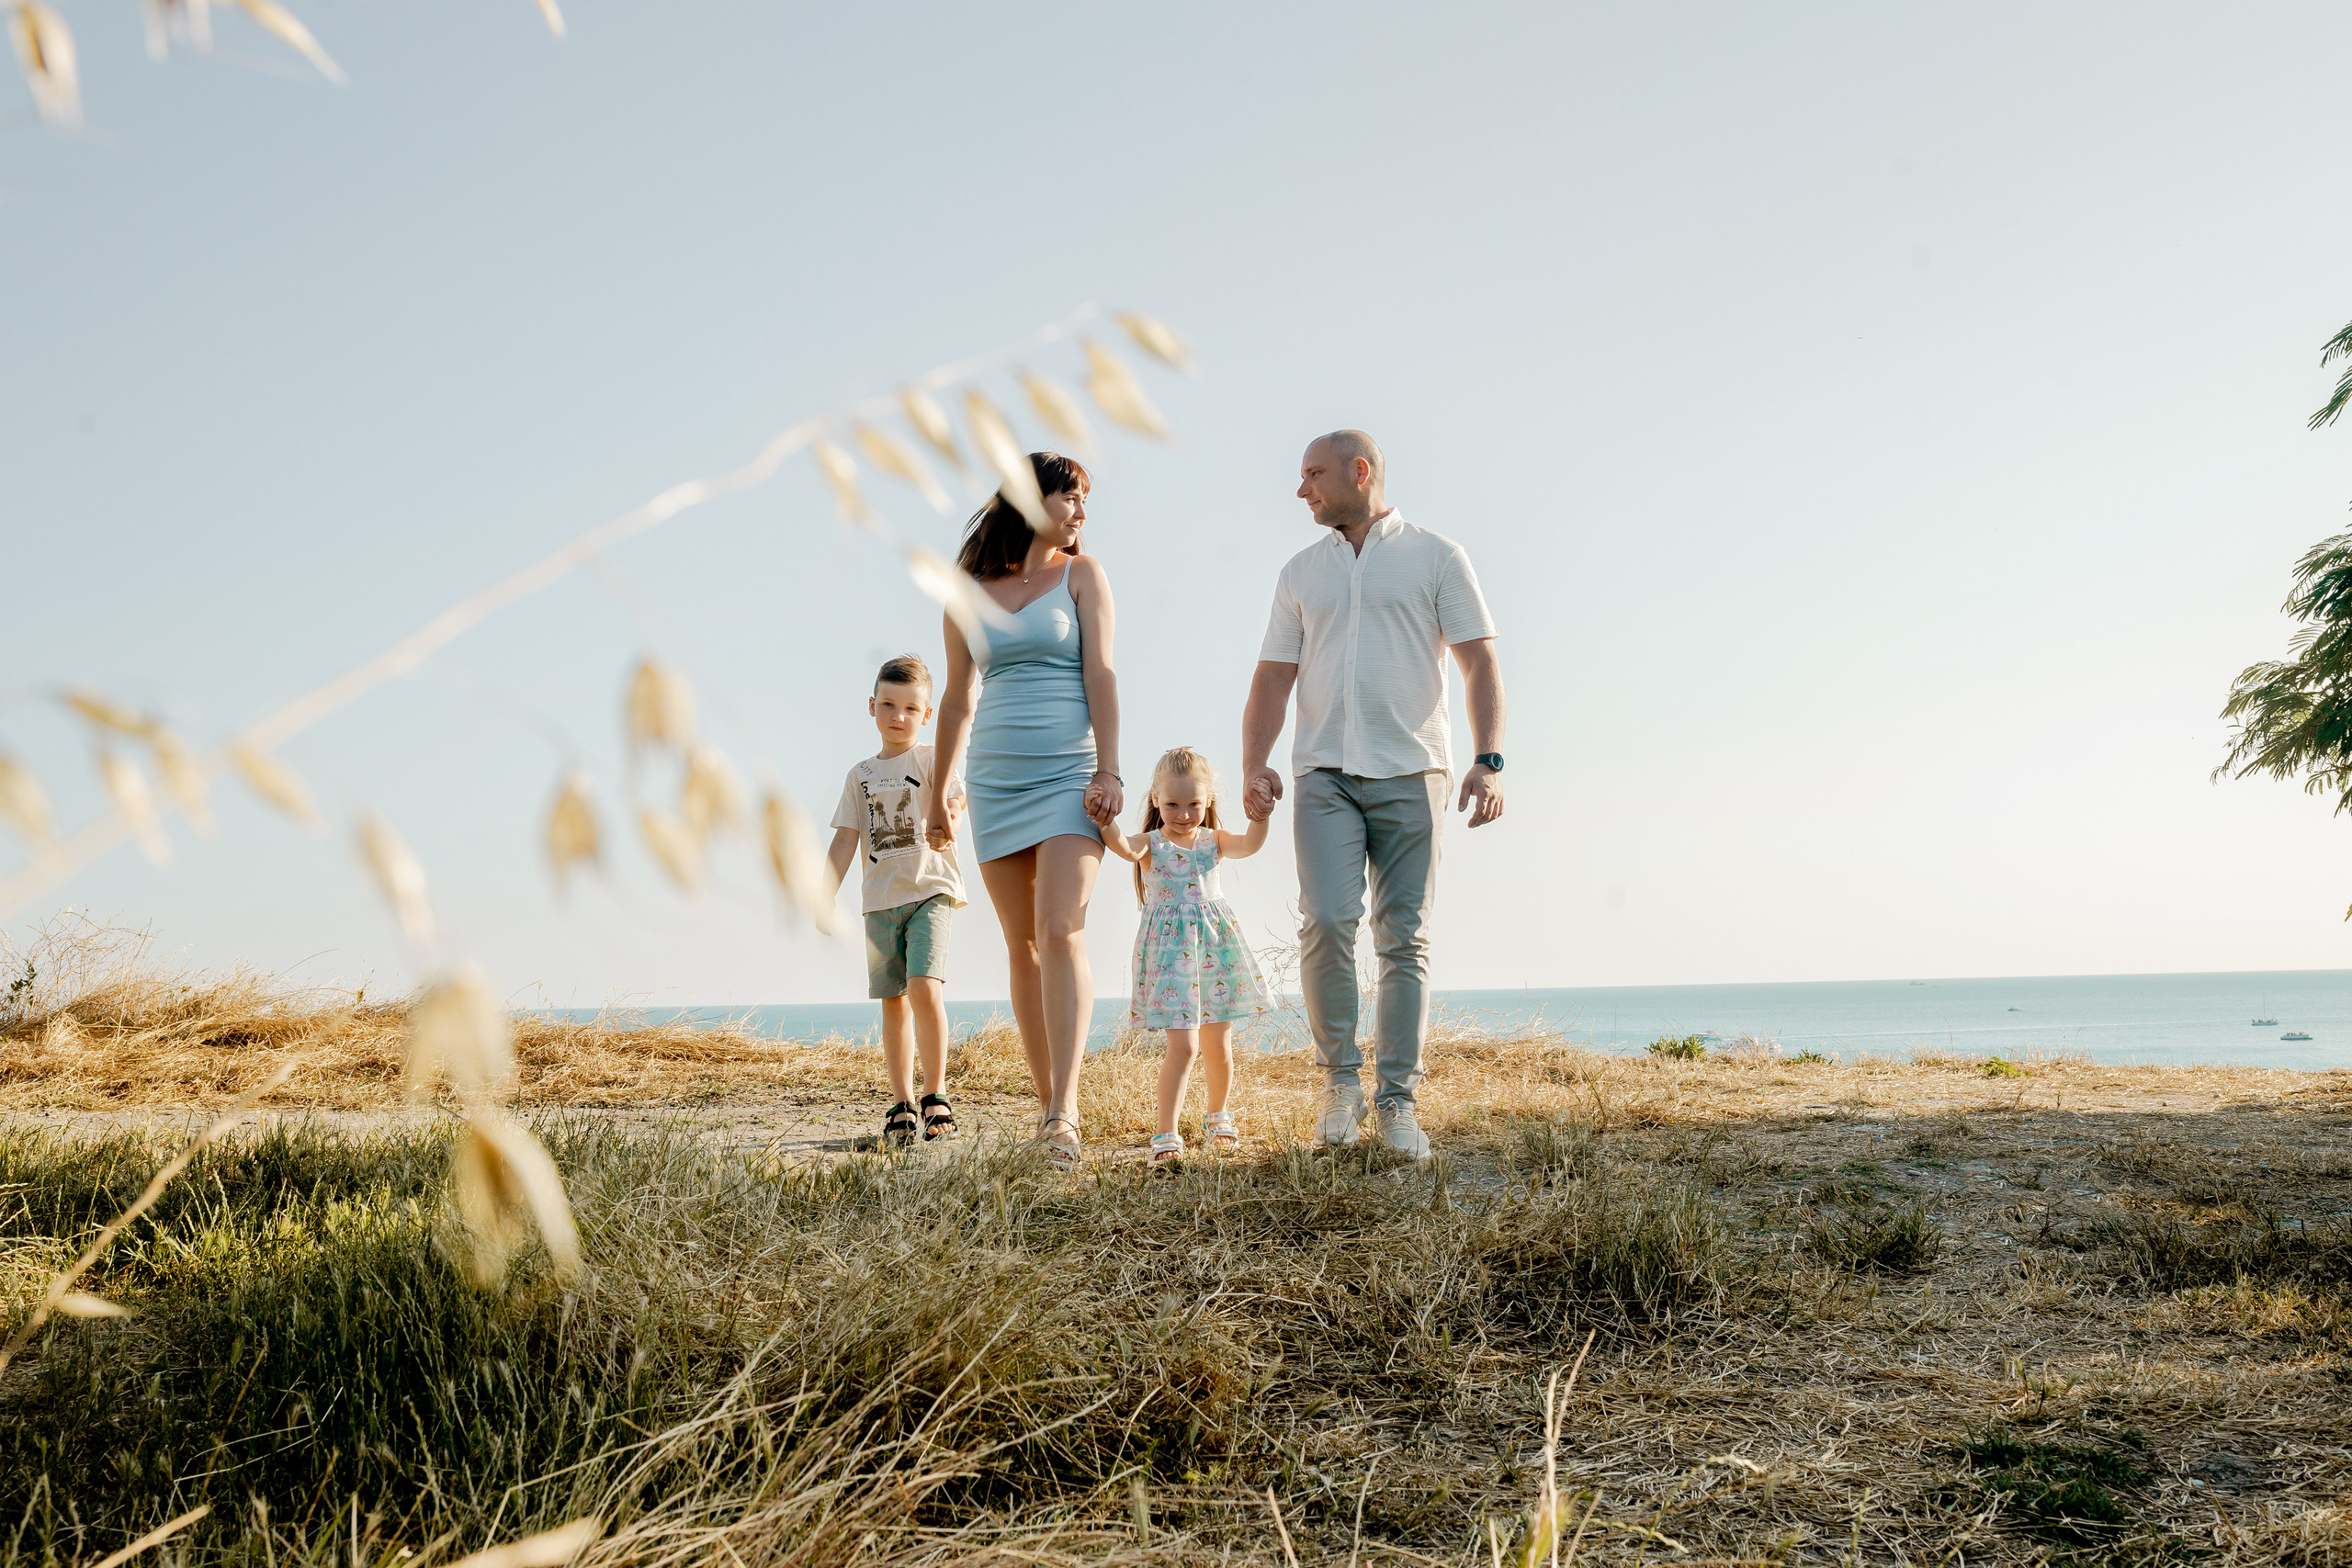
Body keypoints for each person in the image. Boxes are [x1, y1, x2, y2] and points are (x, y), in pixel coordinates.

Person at [1241, 430, 1506, 1161]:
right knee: (1325, 920)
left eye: (1313, 475)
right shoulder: (1299, 572)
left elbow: (1479, 663)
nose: (1302, 490)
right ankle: (1340, 1085)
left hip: (1414, 770)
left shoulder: (1437, 556)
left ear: (1361, 473)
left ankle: (1397, 1103)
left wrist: (1489, 759)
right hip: (1322, 771)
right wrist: (1254, 763)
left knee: (1403, 938)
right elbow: (1271, 676)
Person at [928, 452, 1123, 1168]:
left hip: (1070, 773)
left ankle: (1066, 1111)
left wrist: (1109, 767)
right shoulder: (967, 591)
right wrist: (939, 791)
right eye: (1070, 496)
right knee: (1023, 945)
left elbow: (1101, 671)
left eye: (1084, 501)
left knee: (1060, 926)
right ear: (1029, 500)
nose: (1080, 512)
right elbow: (955, 699)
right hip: (996, 779)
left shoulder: (1083, 575)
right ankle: (1047, 1109)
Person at [1099, 747, 1274, 1169]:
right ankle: (1167, 1131)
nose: (1183, 814)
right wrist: (1106, 822)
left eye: (1194, 804)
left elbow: (1250, 844)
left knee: (1218, 1042)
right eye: (1173, 804)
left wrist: (1261, 814)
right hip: (1171, 955)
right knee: (1185, 1046)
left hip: (1216, 950)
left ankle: (1218, 1116)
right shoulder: (1152, 844)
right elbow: (1123, 847)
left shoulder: (1213, 841)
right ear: (1155, 800)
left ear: (1208, 801)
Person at [826, 653, 967, 1147]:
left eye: (910, 708)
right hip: (879, 901)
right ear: (872, 706)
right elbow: (845, 840)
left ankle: (936, 1094)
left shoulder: (931, 759)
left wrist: (948, 815)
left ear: (926, 715)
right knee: (893, 1001)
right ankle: (902, 1102)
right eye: (888, 704)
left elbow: (955, 798)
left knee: (925, 988)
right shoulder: (859, 775)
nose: (898, 716)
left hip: (931, 889)